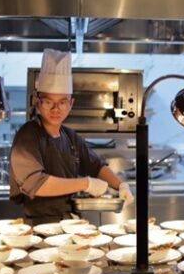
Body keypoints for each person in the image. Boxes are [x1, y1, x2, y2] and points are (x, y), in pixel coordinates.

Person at [9, 49, 134, 225]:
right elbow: (36, 183)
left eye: (62, 102)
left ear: (71, 103)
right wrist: (86, 183)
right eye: (48, 102)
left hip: (71, 223)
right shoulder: (28, 136)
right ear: (37, 102)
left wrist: (121, 185)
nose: (56, 109)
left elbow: (96, 165)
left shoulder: (69, 136)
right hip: (40, 227)